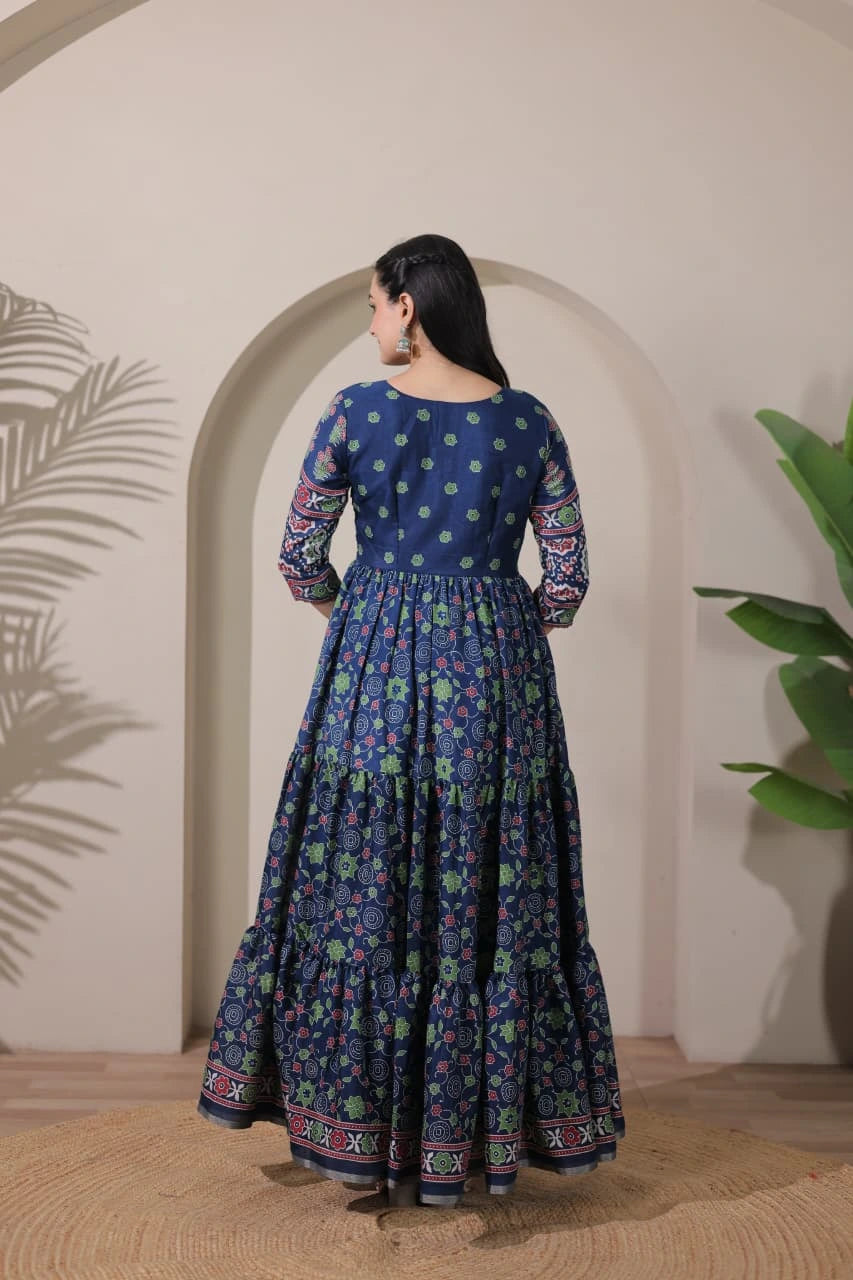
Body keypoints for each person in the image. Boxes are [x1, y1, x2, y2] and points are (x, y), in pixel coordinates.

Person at [196, 234, 626, 1208]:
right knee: (488, 893)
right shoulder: (528, 420)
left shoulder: (355, 409)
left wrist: (369, 619)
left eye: (374, 303)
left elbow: (301, 553)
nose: (372, 320)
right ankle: (475, 1138)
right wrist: (505, 632)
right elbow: (566, 577)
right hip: (499, 678)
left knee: (365, 883)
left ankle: (361, 1125)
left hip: (372, 672)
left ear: (407, 306)